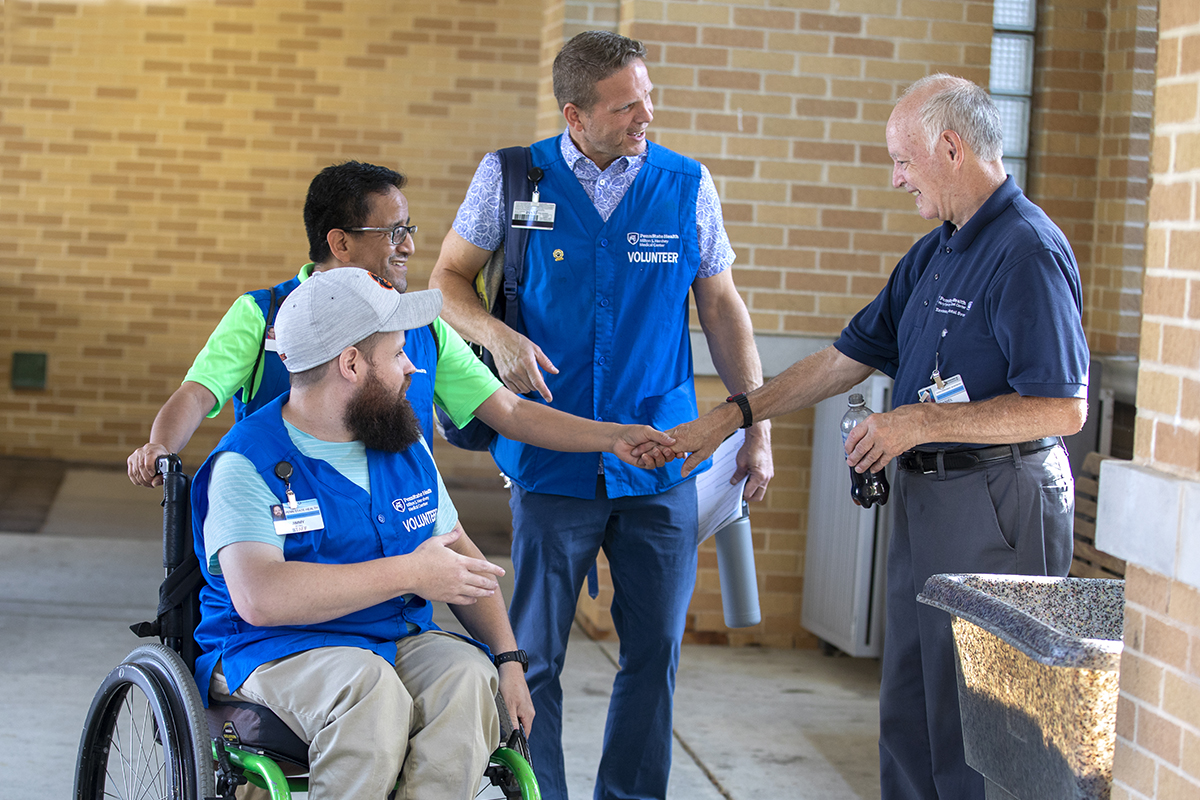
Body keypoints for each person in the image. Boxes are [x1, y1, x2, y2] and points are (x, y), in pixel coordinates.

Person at [662, 74, 1089, 800]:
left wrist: (917, 421)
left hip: (999, 504)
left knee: (991, 729)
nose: (895, 179)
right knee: (913, 709)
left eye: (901, 159)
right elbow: (840, 360)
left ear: (950, 149)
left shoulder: (1026, 251)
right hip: (928, 500)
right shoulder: (934, 253)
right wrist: (735, 415)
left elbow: (1060, 407)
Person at [429, 30, 774, 800]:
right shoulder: (511, 177)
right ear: (574, 115)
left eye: (648, 99)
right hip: (550, 462)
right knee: (535, 656)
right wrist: (496, 332)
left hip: (661, 461)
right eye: (627, 107)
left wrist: (758, 428)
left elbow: (722, 309)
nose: (645, 116)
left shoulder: (688, 186)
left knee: (654, 654)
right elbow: (446, 279)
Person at [192, 268, 530, 799]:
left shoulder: (401, 444)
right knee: (370, 691)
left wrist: (508, 661)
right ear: (351, 363)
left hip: (388, 639)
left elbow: (458, 554)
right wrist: (410, 572)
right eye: (397, 354)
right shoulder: (245, 464)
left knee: (468, 676)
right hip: (270, 651)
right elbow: (260, 598)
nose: (412, 367)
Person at [127, 161, 673, 487]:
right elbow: (197, 394)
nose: (409, 246)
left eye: (408, 228)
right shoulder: (263, 313)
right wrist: (160, 447)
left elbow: (509, 411)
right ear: (339, 241)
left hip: (396, 531)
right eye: (392, 231)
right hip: (291, 528)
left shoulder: (424, 326)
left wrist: (615, 436)